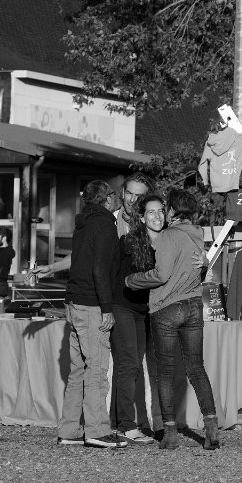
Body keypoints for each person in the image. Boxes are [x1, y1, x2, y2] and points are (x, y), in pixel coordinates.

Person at [125, 189, 219, 451]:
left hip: (167, 307)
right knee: (196, 368)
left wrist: (132, 280)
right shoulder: (197, 234)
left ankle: (169, 434)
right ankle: (212, 428)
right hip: (193, 305)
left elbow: (161, 274)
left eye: (166, 208)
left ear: (173, 211)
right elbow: (198, 269)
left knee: (165, 373)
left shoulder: (168, 236)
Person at [57, 180, 127, 449]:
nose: (116, 198)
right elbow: (100, 269)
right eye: (113, 194)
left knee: (78, 370)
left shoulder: (82, 224)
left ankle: (69, 430)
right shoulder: (105, 224)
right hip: (92, 304)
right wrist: (107, 307)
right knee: (96, 369)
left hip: (74, 302)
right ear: (106, 198)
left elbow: (80, 262)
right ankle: (97, 430)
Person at [110, 193, 164, 445]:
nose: (157, 216)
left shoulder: (168, 242)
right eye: (151, 212)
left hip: (144, 311)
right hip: (123, 307)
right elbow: (120, 278)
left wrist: (203, 261)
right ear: (142, 218)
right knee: (129, 364)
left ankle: (126, 422)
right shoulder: (129, 242)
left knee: (137, 366)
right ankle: (125, 425)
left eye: (160, 211)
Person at [115, 172, 155, 237]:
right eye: (129, 193)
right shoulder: (112, 220)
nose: (132, 200)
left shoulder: (156, 223)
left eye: (138, 196)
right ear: (123, 193)